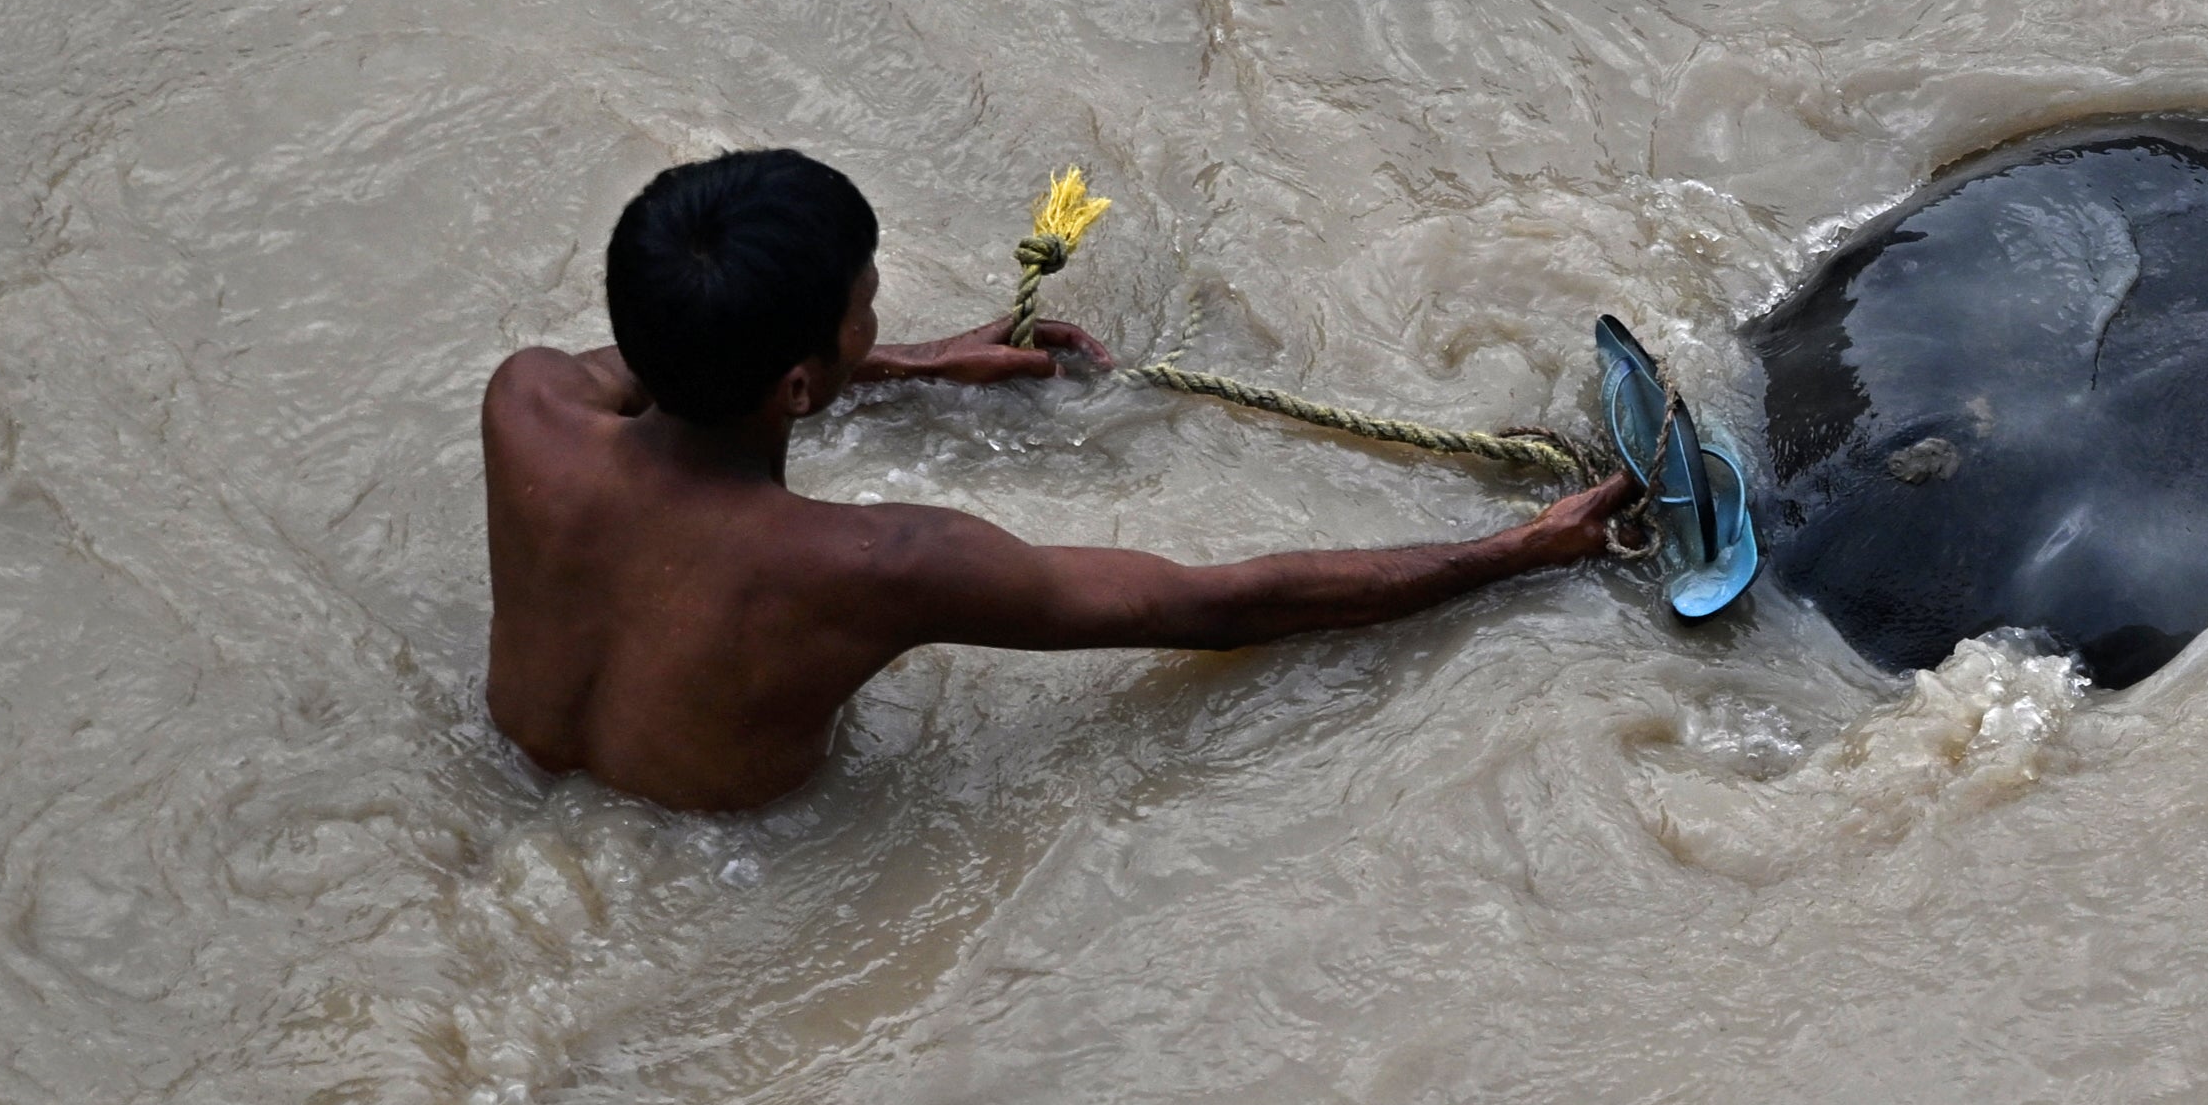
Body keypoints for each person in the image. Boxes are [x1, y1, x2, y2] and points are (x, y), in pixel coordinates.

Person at [484, 149, 1637, 812]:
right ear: (795, 382)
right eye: (867, 307)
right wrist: (1515, 553)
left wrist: (921, 361)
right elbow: (1209, 606)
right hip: (733, 856)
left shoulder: (528, 405)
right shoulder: (879, 565)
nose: (878, 315)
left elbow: (651, 365)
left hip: (517, 779)